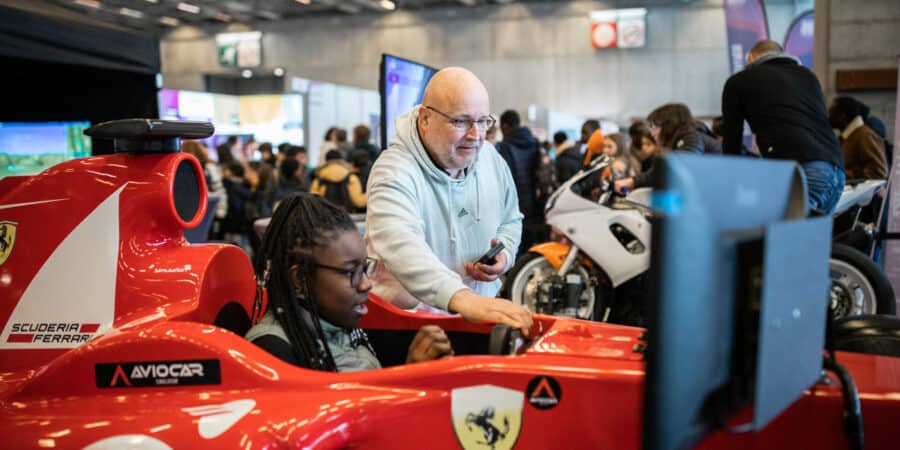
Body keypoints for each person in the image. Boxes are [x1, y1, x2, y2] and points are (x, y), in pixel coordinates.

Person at [365, 67, 533, 336]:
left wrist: (505, 254)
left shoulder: (490, 158)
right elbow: (403, 248)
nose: (475, 135)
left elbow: (511, 219)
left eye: (483, 121)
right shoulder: (394, 173)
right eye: (460, 121)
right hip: (410, 327)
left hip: (480, 316)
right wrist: (463, 298)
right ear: (425, 118)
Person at [245, 193, 453, 372]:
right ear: (299, 279)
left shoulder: (336, 323)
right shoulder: (270, 351)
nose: (366, 285)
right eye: (350, 272)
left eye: (364, 269)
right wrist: (410, 377)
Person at [721, 39, 844, 214]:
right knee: (808, 238)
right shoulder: (808, 76)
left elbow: (732, 143)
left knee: (782, 236)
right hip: (835, 170)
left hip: (802, 172)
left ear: (751, 57)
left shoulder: (739, 81)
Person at [496, 109, 543, 258]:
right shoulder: (533, 142)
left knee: (513, 237)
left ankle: (515, 271)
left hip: (514, 198)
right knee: (529, 238)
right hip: (533, 198)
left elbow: (503, 178)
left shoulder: (504, 147)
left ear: (504, 126)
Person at [828, 96, 887, 180]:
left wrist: (842, 175)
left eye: (831, 113)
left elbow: (879, 171)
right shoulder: (847, 136)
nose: (828, 117)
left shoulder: (864, 135)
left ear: (842, 116)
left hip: (867, 193)